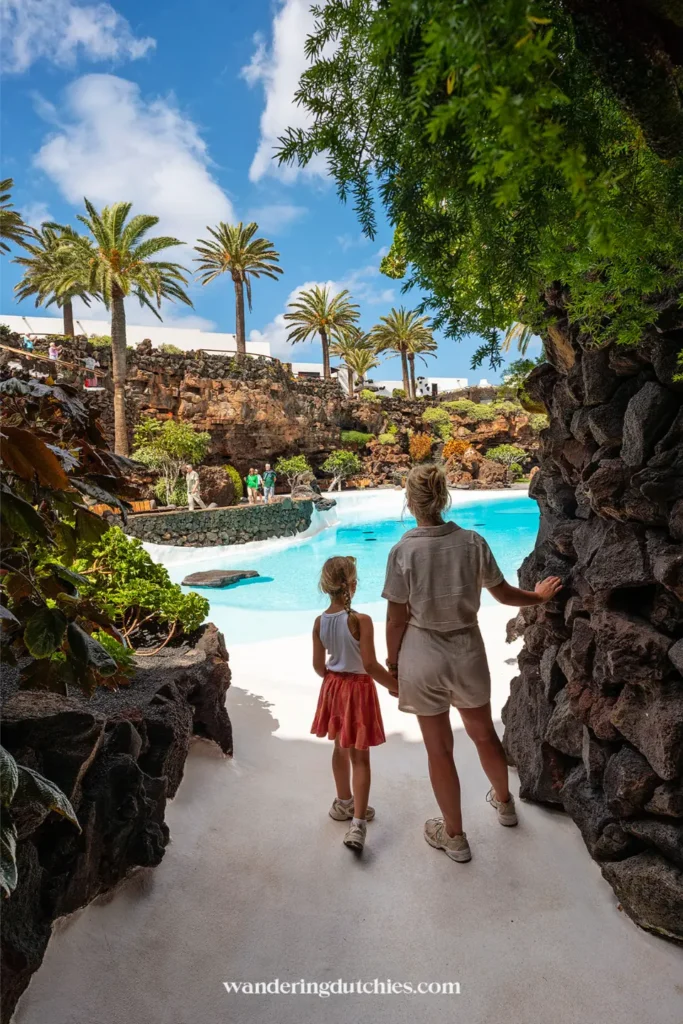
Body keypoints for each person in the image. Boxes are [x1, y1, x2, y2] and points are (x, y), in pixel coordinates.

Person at [382, 464, 562, 864]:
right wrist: (539, 597)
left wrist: (392, 665)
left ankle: (456, 837)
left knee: (439, 750)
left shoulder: (403, 551)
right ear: (443, 497)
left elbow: (396, 619)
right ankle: (505, 805)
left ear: (410, 500)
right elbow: (503, 595)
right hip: (467, 653)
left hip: (422, 656)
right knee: (483, 735)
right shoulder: (472, 542)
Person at [311, 556, 398, 852]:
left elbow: (318, 668)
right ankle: (358, 824)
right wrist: (396, 687)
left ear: (326, 586)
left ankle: (343, 803)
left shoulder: (319, 622)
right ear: (353, 585)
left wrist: (335, 681)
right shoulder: (361, 621)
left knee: (339, 748)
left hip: (333, 687)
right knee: (360, 758)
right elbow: (371, 665)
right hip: (359, 691)